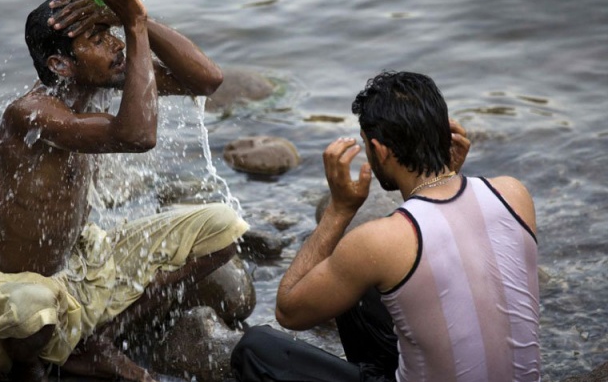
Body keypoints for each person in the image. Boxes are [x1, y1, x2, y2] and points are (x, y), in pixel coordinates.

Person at [0, 0, 248, 382]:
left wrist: (133, 16)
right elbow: (137, 136)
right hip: (14, 285)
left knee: (222, 230)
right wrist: (132, 23)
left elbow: (207, 80)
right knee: (26, 314)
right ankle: (60, 356)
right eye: (97, 38)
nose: (115, 45)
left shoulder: (101, 81)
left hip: (80, 264)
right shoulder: (31, 113)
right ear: (60, 64)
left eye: (109, 33)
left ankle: (96, 339)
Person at [231, 71, 541, 381]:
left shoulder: (378, 242)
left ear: (379, 151)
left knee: (257, 349)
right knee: (371, 286)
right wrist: (451, 174)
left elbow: (289, 311)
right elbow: (454, 244)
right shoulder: (513, 194)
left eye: (367, 145)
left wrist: (339, 209)